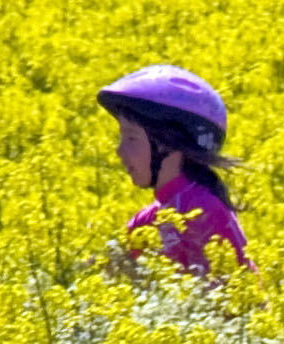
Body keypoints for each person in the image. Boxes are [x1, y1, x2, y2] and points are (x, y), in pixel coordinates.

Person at [97, 65, 254, 279]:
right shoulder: (144, 223)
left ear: (168, 144)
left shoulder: (205, 211)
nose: (119, 150)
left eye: (131, 138)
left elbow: (242, 299)